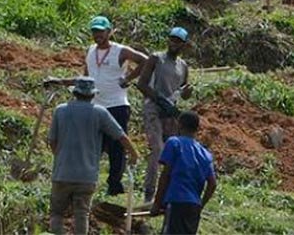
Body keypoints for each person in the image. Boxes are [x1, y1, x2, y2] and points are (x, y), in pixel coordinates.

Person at [45, 15, 148, 196]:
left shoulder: (120, 51)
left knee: (117, 146)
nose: (97, 34)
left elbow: (145, 61)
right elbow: (85, 78)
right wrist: (59, 81)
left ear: (109, 32)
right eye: (94, 31)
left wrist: (128, 78)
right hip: (94, 105)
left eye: (101, 31)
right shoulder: (91, 51)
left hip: (116, 105)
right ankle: (88, 180)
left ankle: (114, 186)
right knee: (93, 145)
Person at [47, 76, 138, 235]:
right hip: (87, 175)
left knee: (57, 213)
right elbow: (120, 136)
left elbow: (52, 141)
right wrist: (134, 154)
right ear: (93, 94)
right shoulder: (99, 112)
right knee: (82, 213)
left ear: (75, 93)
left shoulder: (60, 110)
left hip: (62, 173)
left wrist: (60, 157)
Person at [137, 26, 192, 203]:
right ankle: (149, 193)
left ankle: (168, 193)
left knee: (174, 153)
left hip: (171, 113)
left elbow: (182, 90)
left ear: (184, 44)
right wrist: (160, 100)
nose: (173, 43)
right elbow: (142, 84)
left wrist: (186, 93)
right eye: (172, 39)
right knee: (157, 149)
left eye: (178, 41)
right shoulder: (156, 59)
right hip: (153, 107)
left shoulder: (183, 66)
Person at [151, 110, 217, 235]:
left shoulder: (174, 143)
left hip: (176, 202)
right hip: (193, 207)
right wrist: (200, 205)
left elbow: (165, 175)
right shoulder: (205, 154)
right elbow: (212, 184)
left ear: (179, 125)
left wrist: (157, 203)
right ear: (197, 129)